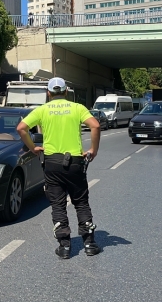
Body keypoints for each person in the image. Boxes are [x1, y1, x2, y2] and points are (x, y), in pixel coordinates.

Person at [16, 77, 102, 259]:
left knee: (58, 203)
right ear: (65, 92)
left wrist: (33, 148)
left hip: (52, 162)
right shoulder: (77, 108)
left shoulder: (42, 110)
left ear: (48, 93)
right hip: (75, 162)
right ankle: (89, 244)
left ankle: (64, 246)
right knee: (80, 201)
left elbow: (21, 128)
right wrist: (93, 149)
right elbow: (95, 125)